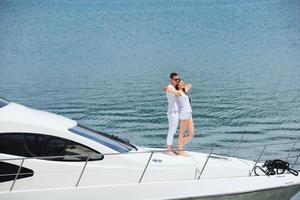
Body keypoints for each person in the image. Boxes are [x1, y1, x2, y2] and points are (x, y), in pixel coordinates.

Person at [166, 79, 194, 156]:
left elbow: (190, 84)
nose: (183, 83)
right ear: (177, 85)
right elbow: (167, 89)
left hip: (189, 113)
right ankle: (180, 150)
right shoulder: (178, 92)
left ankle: (179, 147)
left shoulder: (184, 91)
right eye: (181, 82)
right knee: (182, 133)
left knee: (191, 134)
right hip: (184, 113)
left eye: (183, 82)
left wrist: (183, 86)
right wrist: (173, 89)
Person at [164, 72, 180, 155]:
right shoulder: (170, 87)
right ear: (171, 79)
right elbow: (166, 89)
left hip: (175, 112)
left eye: (178, 79)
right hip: (172, 112)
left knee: (173, 131)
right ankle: (168, 150)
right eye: (175, 79)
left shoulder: (174, 87)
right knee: (171, 131)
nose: (177, 80)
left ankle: (170, 148)